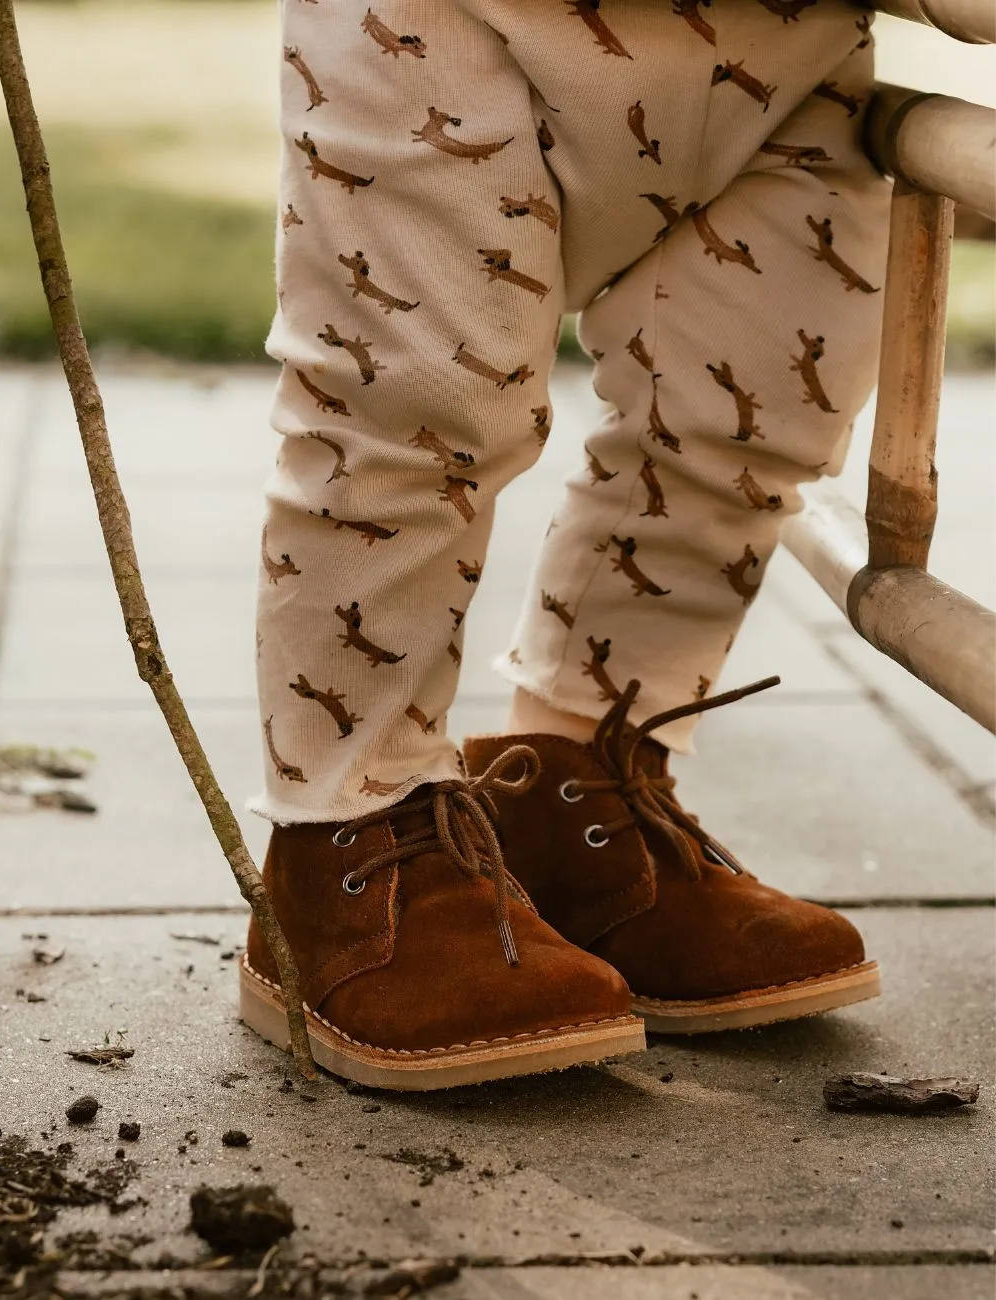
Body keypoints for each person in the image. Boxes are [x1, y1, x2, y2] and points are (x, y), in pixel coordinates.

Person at [240, 0, 890, 1089]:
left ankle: (579, 786)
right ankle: (347, 828)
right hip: (455, 18)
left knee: (744, 415)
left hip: (792, 33)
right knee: (412, 405)